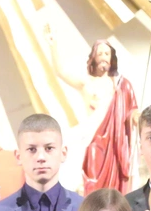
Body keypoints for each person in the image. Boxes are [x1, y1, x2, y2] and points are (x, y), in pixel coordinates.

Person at [45, 26, 138, 194]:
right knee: (92, 181)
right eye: (100, 53)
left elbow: (132, 111)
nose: (103, 57)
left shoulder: (120, 85)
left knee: (116, 188)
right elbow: (60, 72)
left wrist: (140, 119)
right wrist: (53, 45)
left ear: (112, 58)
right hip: (93, 139)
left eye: (107, 53)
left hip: (115, 143)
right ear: (94, 57)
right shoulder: (87, 83)